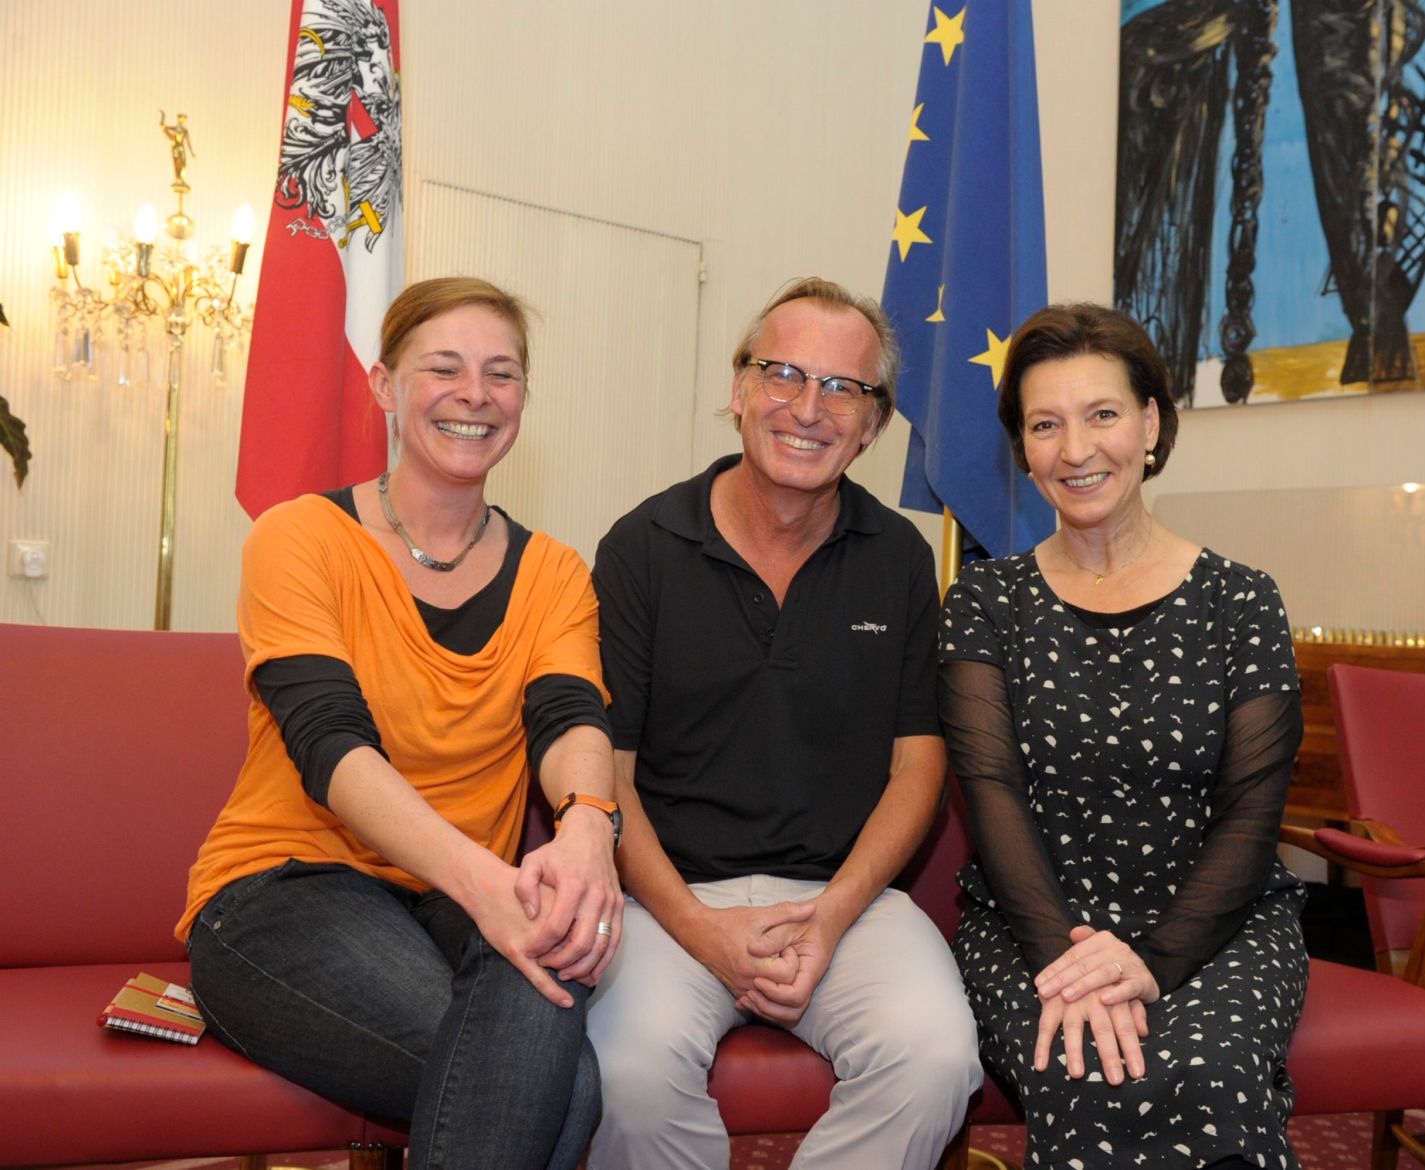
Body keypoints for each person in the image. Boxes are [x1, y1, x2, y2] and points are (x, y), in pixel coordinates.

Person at [179, 277, 621, 1170]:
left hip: (453, 904)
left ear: (523, 400)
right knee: (558, 1088)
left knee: (544, 1048)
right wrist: (487, 887)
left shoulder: (557, 573)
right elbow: (330, 746)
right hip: (284, 892)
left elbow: (571, 717)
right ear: (383, 385)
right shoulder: (299, 537)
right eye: (444, 368)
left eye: (502, 374)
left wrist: (586, 832)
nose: (475, 394)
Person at [579, 277, 981, 1170]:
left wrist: (832, 917)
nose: (810, 407)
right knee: (628, 1074)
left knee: (937, 1056)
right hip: (665, 899)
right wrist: (698, 928)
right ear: (738, 390)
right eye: (783, 373)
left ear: (875, 425)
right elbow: (607, 775)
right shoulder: (641, 548)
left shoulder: (902, 560)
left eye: (845, 388)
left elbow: (919, 771)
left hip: (847, 901)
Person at [938, 303, 1307, 1168]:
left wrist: (1154, 961)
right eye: (1044, 425)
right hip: (1035, 923)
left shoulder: (1241, 601)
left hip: (1217, 921)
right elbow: (990, 795)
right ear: (1020, 448)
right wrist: (1074, 961)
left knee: (1211, 1070)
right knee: (1088, 1064)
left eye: (1102, 414)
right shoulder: (986, 603)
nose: (1076, 450)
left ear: (1150, 422)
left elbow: (1254, 813)